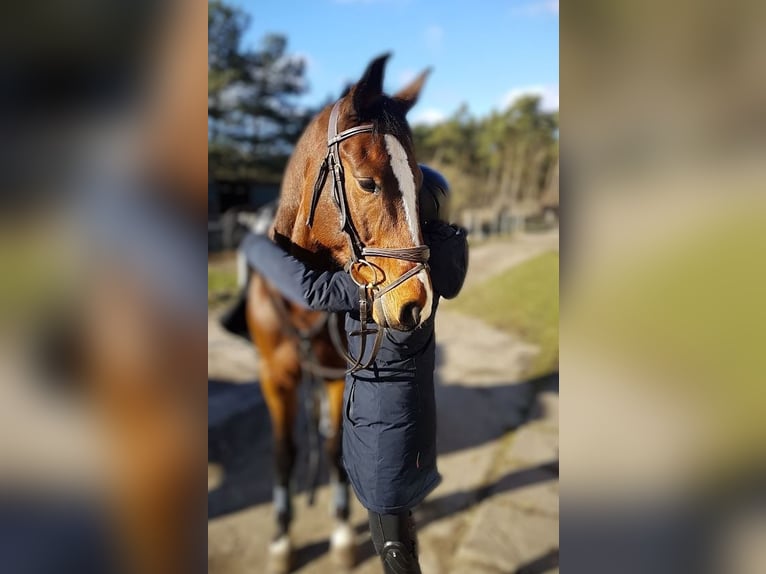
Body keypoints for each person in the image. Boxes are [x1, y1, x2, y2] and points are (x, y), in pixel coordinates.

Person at [237, 165, 468, 573]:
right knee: (398, 524)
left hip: (381, 431)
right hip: (411, 421)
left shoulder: (390, 277)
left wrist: (255, 247)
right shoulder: (439, 262)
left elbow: (310, 289)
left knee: (393, 546)